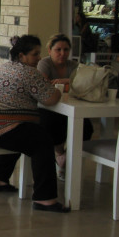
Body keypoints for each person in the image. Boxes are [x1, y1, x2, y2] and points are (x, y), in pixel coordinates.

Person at [0, 35, 70, 212]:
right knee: (42, 141)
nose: (39, 58)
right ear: (21, 56)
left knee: (23, 130)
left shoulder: (6, 67)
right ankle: (45, 199)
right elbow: (51, 98)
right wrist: (57, 89)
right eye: (35, 54)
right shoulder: (29, 73)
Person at [37, 33, 94, 179]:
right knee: (52, 123)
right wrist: (70, 82)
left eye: (66, 50)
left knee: (86, 127)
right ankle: (59, 153)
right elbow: (45, 85)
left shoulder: (73, 65)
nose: (62, 53)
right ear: (50, 50)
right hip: (46, 107)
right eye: (58, 50)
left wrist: (64, 81)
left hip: (69, 106)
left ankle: (67, 157)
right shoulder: (44, 63)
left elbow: (83, 85)